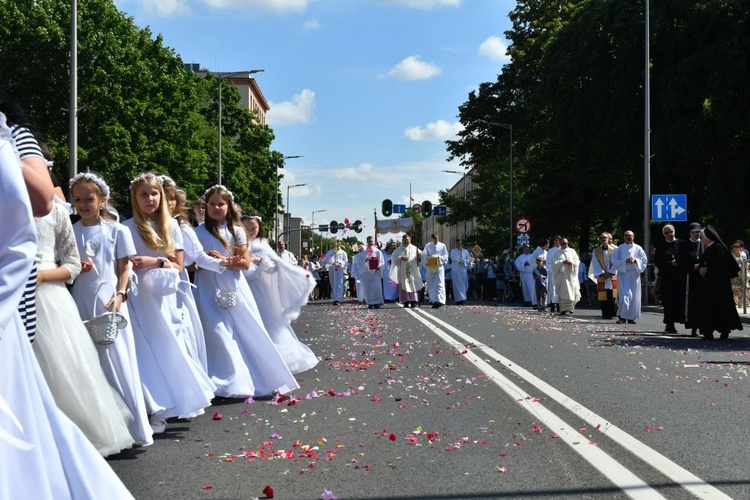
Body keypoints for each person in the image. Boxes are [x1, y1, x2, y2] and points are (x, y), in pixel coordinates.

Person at [0, 111, 135, 499]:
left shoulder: (46, 200)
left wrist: (43, 275)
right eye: (77, 198)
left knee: (58, 376)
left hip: (39, 290)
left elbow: (71, 262)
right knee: (39, 386)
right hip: (32, 289)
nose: (79, 203)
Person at [32, 198, 135, 456]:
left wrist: (42, 275)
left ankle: (75, 434)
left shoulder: (56, 211)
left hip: (47, 295)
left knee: (62, 366)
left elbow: (72, 263)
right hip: (8, 291)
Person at [124, 173, 215, 433]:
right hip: (138, 297)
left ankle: (169, 405)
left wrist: (155, 261)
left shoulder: (171, 227)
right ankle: (153, 407)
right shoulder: (128, 227)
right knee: (144, 354)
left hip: (164, 297)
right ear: (135, 198)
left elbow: (179, 263)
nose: (150, 199)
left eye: (154, 194)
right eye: (144, 194)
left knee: (168, 349)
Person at [69, 172, 153, 447]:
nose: (83, 204)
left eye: (89, 198)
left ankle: (133, 428)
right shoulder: (72, 230)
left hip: (110, 300)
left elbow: (124, 267)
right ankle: (102, 430)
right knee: (89, 363)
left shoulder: (117, 230)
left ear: (102, 200)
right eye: (78, 199)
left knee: (116, 359)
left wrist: (120, 293)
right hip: (81, 300)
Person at [194, 185, 300, 398]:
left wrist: (223, 261)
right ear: (206, 206)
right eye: (212, 204)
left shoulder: (236, 231)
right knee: (217, 333)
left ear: (228, 206)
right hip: (207, 287)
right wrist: (205, 259)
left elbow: (244, 263)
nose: (216, 207)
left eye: (220, 204)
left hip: (233, 285)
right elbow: (191, 261)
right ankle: (224, 382)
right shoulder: (197, 232)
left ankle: (258, 377)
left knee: (246, 330)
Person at [241, 213, 319, 373]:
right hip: (242, 288)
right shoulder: (238, 244)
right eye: (246, 228)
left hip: (258, 289)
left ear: (259, 228)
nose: (250, 231)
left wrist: (257, 262)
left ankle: (273, 359)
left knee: (266, 323)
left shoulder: (261, 244)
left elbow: (272, 265)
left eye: (253, 228)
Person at [695, 225, 743, 340]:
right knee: (711, 309)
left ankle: (722, 331)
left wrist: (706, 269)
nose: (701, 240)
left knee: (719, 308)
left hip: (718, 286)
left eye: (702, 237)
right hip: (711, 286)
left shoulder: (717, 248)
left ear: (708, 237)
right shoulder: (711, 248)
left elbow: (719, 266)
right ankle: (709, 332)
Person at [653, 224, 689, 333]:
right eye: (666, 233)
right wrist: (670, 263)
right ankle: (670, 324)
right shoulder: (660, 246)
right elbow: (658, 261)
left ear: (674, 231)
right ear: (663, 234)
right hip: (667, 278)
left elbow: (687, 257)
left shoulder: (682, 244)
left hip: (681, 277)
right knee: (669, 302)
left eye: (671, 231)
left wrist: (679, 262)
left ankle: (689, 324)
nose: (669, 234)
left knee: (683, 301)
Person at [612, 230, 648, 324]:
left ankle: (631, 317)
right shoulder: (620, 248)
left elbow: (644, 260)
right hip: (624, 274)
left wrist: (636, 260)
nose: (628, 237)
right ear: (624, 237)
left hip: (634, 275)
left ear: (633, 237)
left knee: (634, 297)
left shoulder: (638, 248)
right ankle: (622, 317)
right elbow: (614, 261)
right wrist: (625, 261)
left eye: (630, 235)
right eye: (626, 235)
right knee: (625, 296)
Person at [588, 232, 618, 319]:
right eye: (601, 238)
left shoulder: (615, 249)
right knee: (603, 295)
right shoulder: (596, 250)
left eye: (604, 237)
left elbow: (617, 262)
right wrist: (601, 273)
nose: (603, 239)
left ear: (608, 239)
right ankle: (605, 313)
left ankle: (613, 313)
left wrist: (611, 272)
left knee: (613, 294)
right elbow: (595, 262)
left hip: (612, 275)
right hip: (602, 276)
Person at [389, 234, 423, 308]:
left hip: (412, 271)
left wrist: (419, 257)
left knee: (412, 285)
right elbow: (394, 259)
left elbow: (422, 255)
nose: (406, 241)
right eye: (405, 240)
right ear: (402, 240)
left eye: (407, 240)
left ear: (410, 240)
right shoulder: (398, 249)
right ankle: (405, 301)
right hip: (403, 272)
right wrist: (401, 258)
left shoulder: (414, 248)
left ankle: (413, 301)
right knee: (404, 286)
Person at [684, 222, 704, 336]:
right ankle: (694, 327)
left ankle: (703, 327)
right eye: (693, 232)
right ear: (690, 233)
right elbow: (681, 261)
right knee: (692, 303)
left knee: (703, 303)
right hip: (690, 277)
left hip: (702, 277)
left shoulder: (704, 243)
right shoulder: (685, 245)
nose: (696, 234)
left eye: (697, 232)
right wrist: (692, 266)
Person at [552, 238, 581, 315]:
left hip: (571, 275)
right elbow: (553, 264)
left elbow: (577, 262)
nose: (564, 245)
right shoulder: (557, 253)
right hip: (562, 276)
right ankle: (563, 309)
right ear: (560, 244)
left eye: (565, 243)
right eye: (562, 244)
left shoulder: (572, 251)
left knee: (572, 291)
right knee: (564, 292)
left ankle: (571, 308)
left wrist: (571, 263)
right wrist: (562, 262)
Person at [423, 233, 449, 308]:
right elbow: (424, 256)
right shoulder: (428, 246)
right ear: (432, 239)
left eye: (437, 239)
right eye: (434, 239)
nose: (436, 241)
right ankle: (433, 300)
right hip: (431, 267)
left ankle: (440, 300)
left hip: (439, 267)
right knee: (431, 284)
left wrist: (439, 259)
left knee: (439, 284)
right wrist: (429, 259)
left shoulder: (442, 246)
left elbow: (445, 256)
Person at [359, 235, 385, 309]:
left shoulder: (377, 251)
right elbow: (360, 262)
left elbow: (382, 262)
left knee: (376, 287)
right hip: (367, 273)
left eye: (371, 241)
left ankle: (377, 302)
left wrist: (378, 267)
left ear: (374, 242)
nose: (370, 243)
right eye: (369, 241)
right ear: (367, 242)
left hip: (375, 273)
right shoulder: (364, 252)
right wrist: (366, 259)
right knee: (368, 288)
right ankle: (370, 302)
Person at [325, 239, 348, 305]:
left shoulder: (343, 253)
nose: (338, 245)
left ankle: (338, 299)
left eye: (339, 243)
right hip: (332, 269)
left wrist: (341, 263)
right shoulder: (330, 252)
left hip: (339, 270)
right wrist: (332, 261)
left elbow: (346, 261)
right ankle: (335, 297)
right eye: (336, 244)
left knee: (339, 283)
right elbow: (327, 259)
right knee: (333, 283)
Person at [450, 239, 471, 305]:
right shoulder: (453, 251)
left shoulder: (465, 251)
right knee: (457, 285)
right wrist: (458, 258)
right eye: (457, 244)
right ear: (456, 244)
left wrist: (463, 261)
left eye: (460, 244)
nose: (458, 245)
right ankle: (458, 299)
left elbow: (468, 259)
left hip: (463, 271)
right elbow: (452, 258)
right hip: (456, 271)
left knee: (464, 285)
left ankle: (463, 298)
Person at [730, 241, 749, 308]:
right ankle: (737, 302)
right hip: (735, 274)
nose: (736, 248)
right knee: (735, 289)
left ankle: (743, 302)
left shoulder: (743, 254)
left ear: (740, 248)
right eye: (734, 247)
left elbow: (745, 263)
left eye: (737, 247)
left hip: (743, 273)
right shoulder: (731, 255)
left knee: (743, 287)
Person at [544, 236, 561, 311]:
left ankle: (559, 304)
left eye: (559, 241)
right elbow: (548, 262)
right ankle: (552, 304)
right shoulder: (551, 251)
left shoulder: (563, 250)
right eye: (556, 241)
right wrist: (553, 270)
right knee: (552, 289)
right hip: (553, 272)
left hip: (561, 273)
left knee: (560, 289)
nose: (557, 242)